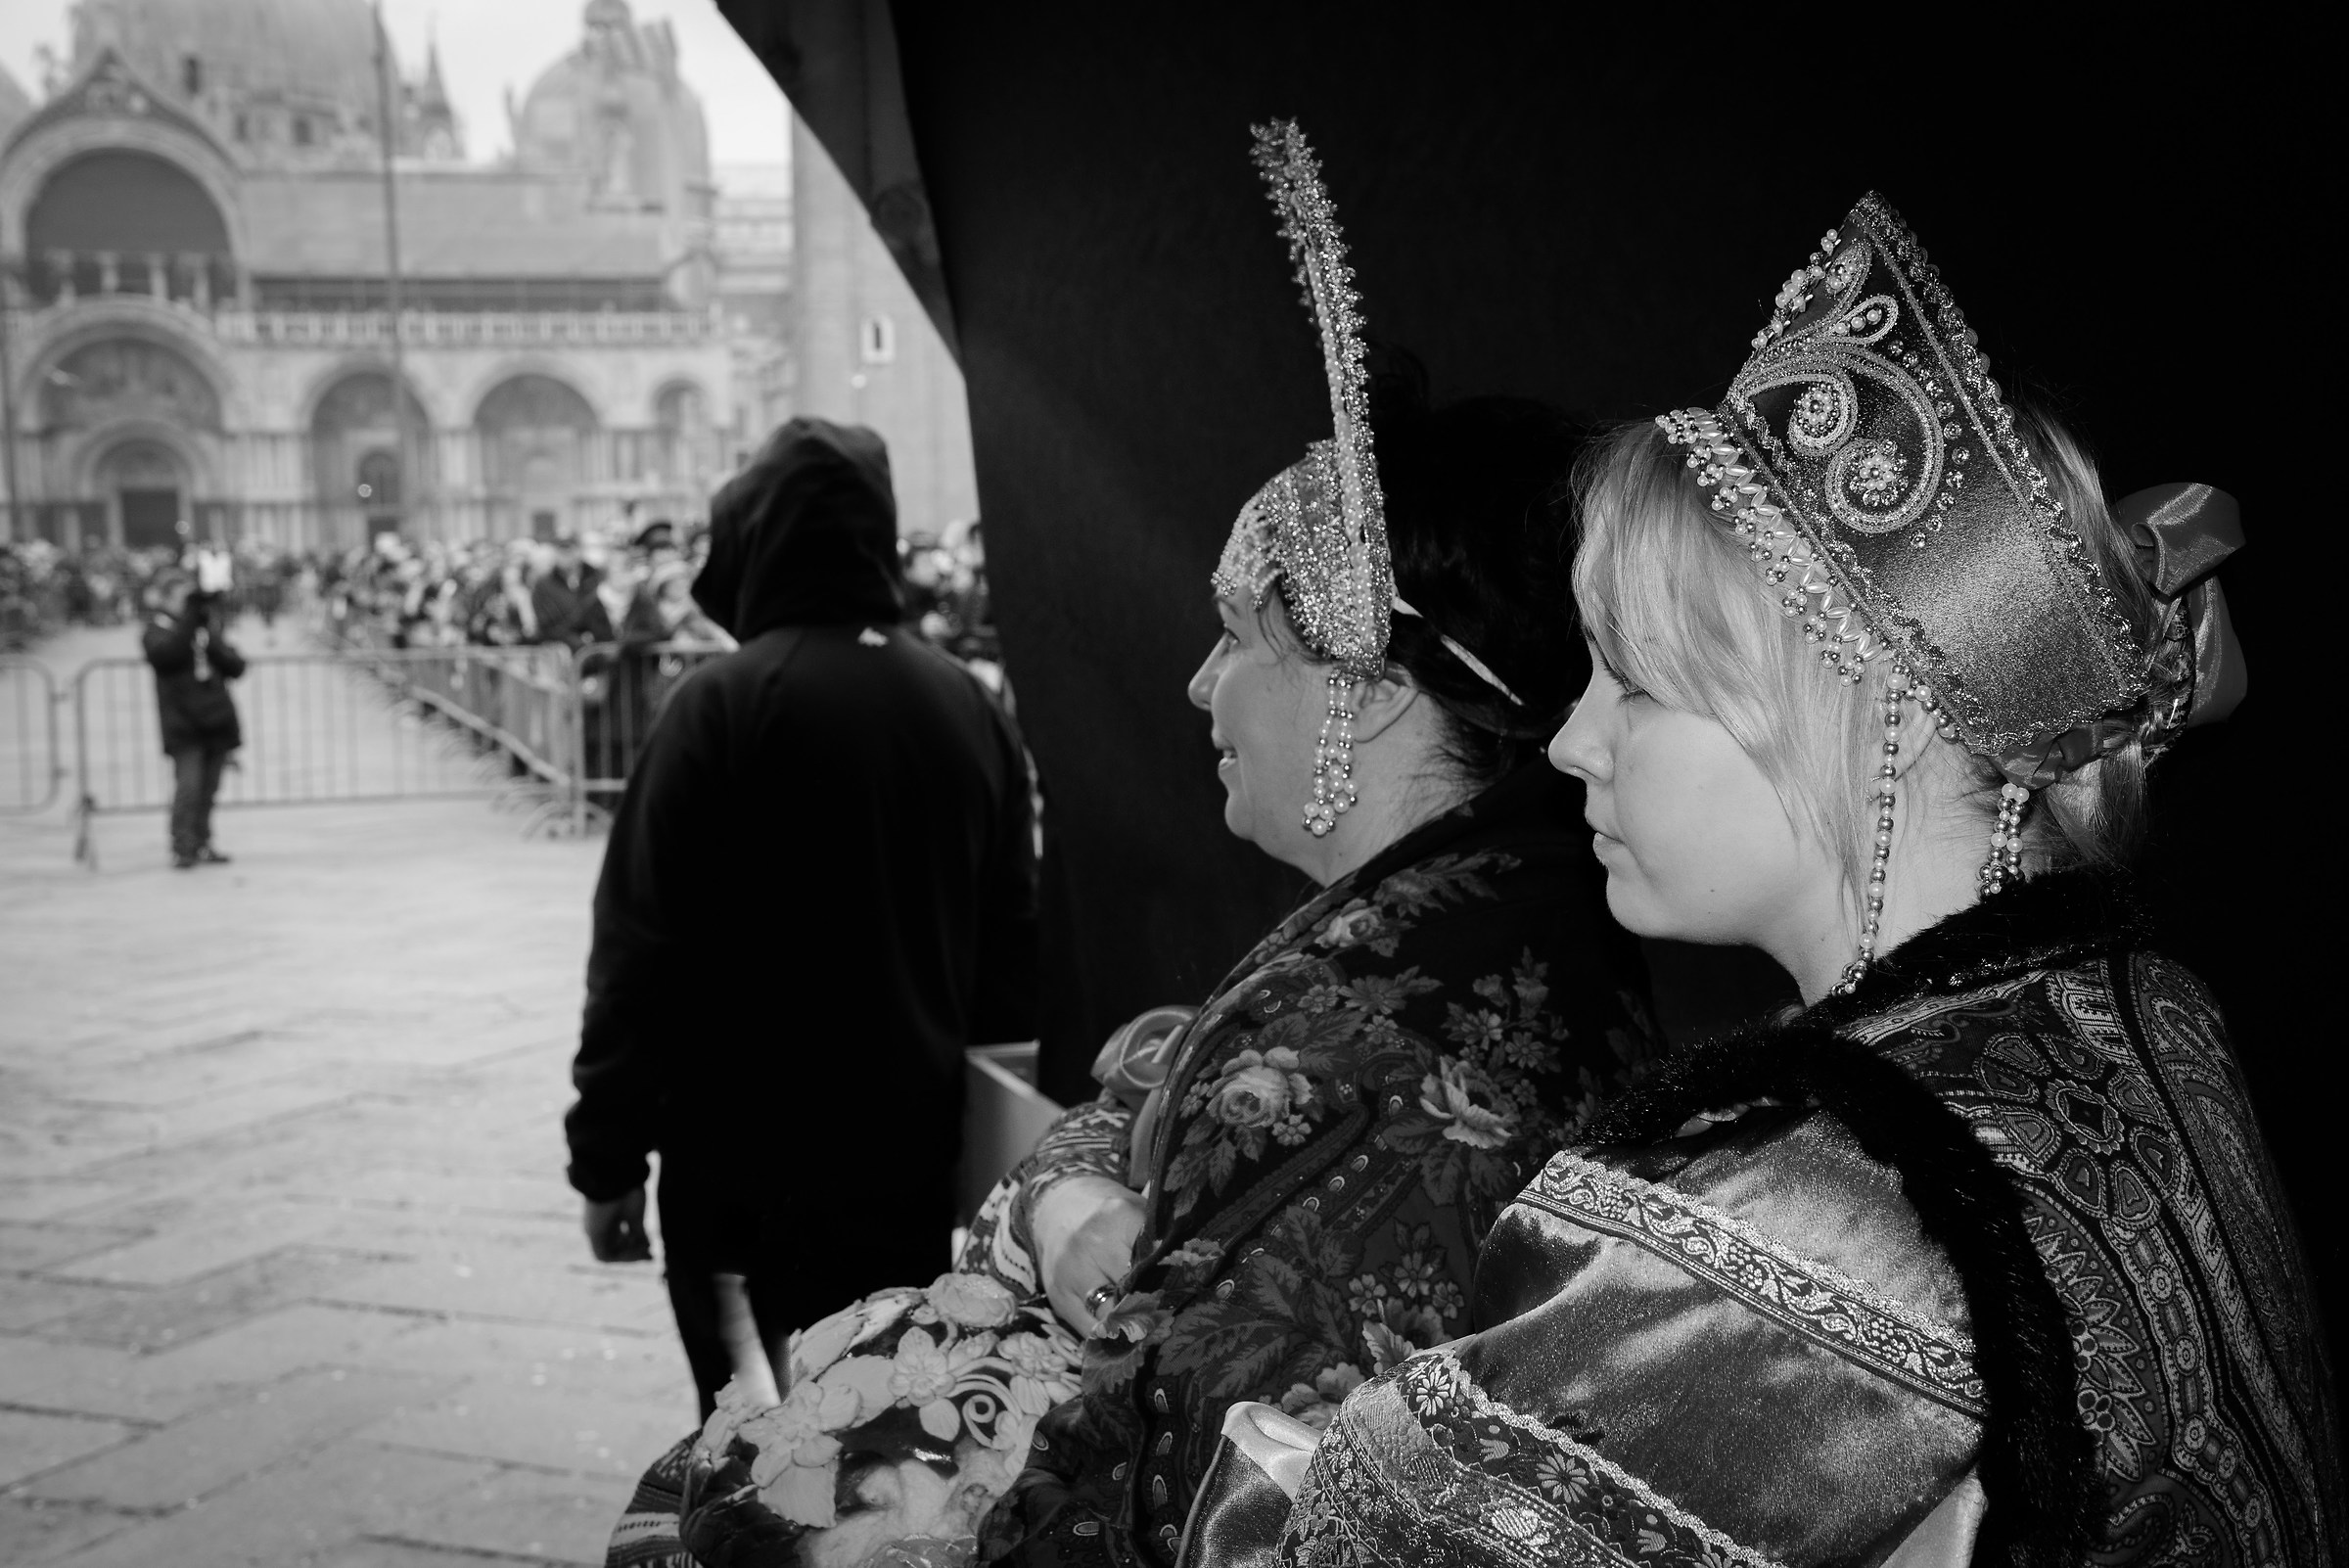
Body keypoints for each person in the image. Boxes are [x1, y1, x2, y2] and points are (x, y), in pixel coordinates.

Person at [1188, 195, 2340, 1567]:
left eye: (1638, 682)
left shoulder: (1834, 1205)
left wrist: (1290, 1463)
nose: (1570, 739)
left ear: (1870, 711)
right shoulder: (2140, 1015)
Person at [970, 121, 1654, 1568]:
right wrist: (1075, 1190)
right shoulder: (1467, 932)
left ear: (1370, 685)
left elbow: (1173, 1485)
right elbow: (1154, 1083)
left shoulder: (1388, 1046)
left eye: (1241, 636)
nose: (1202, 684)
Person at [565, 416, 1043, 1419]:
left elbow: (637, 953)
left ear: (752, 538)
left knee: (755, 1452)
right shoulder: (966, 705)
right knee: (875, 1451)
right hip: (904, 1177)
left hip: (740, 1180)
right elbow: (1011, 963)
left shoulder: (720, 705)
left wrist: (606, 1157)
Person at [142, 564, 246, 869]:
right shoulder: (157, 630)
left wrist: (210, 635)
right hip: (183, 725)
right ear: (164, 599)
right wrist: (190, 623)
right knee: (188, 788)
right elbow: (167, 656)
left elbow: (236, 666)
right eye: (181, 599)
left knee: (209, 790)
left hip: (215, 721)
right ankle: (182, 846)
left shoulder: (202, 630)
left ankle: (202, 842)